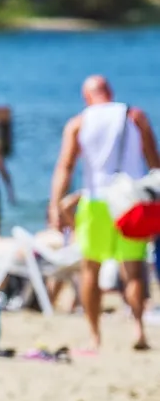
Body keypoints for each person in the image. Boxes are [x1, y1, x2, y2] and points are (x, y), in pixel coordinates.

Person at [48, 75, 160, 350]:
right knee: (133, 271)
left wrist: (55, 205)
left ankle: (94, 336)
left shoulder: (79, 122)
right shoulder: (135, 116)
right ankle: (138, 329)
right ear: (110, 91)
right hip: (131, 201)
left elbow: (66, 167)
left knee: (90, 270)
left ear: (86, 97)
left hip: (96, 201)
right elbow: (154, 162)